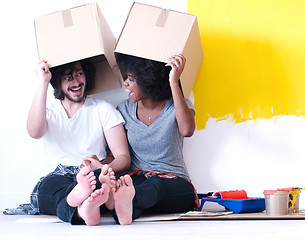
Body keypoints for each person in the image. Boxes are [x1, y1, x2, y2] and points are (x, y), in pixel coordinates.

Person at [16, 59, 132, 225]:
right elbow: (34, 132)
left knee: (99, 184)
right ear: (58, 82)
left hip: (93, 174)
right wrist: (43, 82)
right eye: (69, 77)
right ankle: (90, 205)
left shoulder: (103, 109)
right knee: (45, 191)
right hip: (59, 176)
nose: (77, 82)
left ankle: (87, 206)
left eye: (79, 74)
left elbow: (123, 157)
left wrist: (102, 167)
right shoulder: (49, 112)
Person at [114, 53, 197, 224]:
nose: (125, 83)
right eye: (125, 77)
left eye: (131, 79)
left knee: (156, 186)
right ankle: (125, 208)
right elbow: (117, 154)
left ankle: (124, 203)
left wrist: (173, 81)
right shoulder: (123, 110)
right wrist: (100, 166)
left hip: (173, 182)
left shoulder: (179, 105)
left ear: (148, 80)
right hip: (137, 180)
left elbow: (187, 130)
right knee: (127, 184)